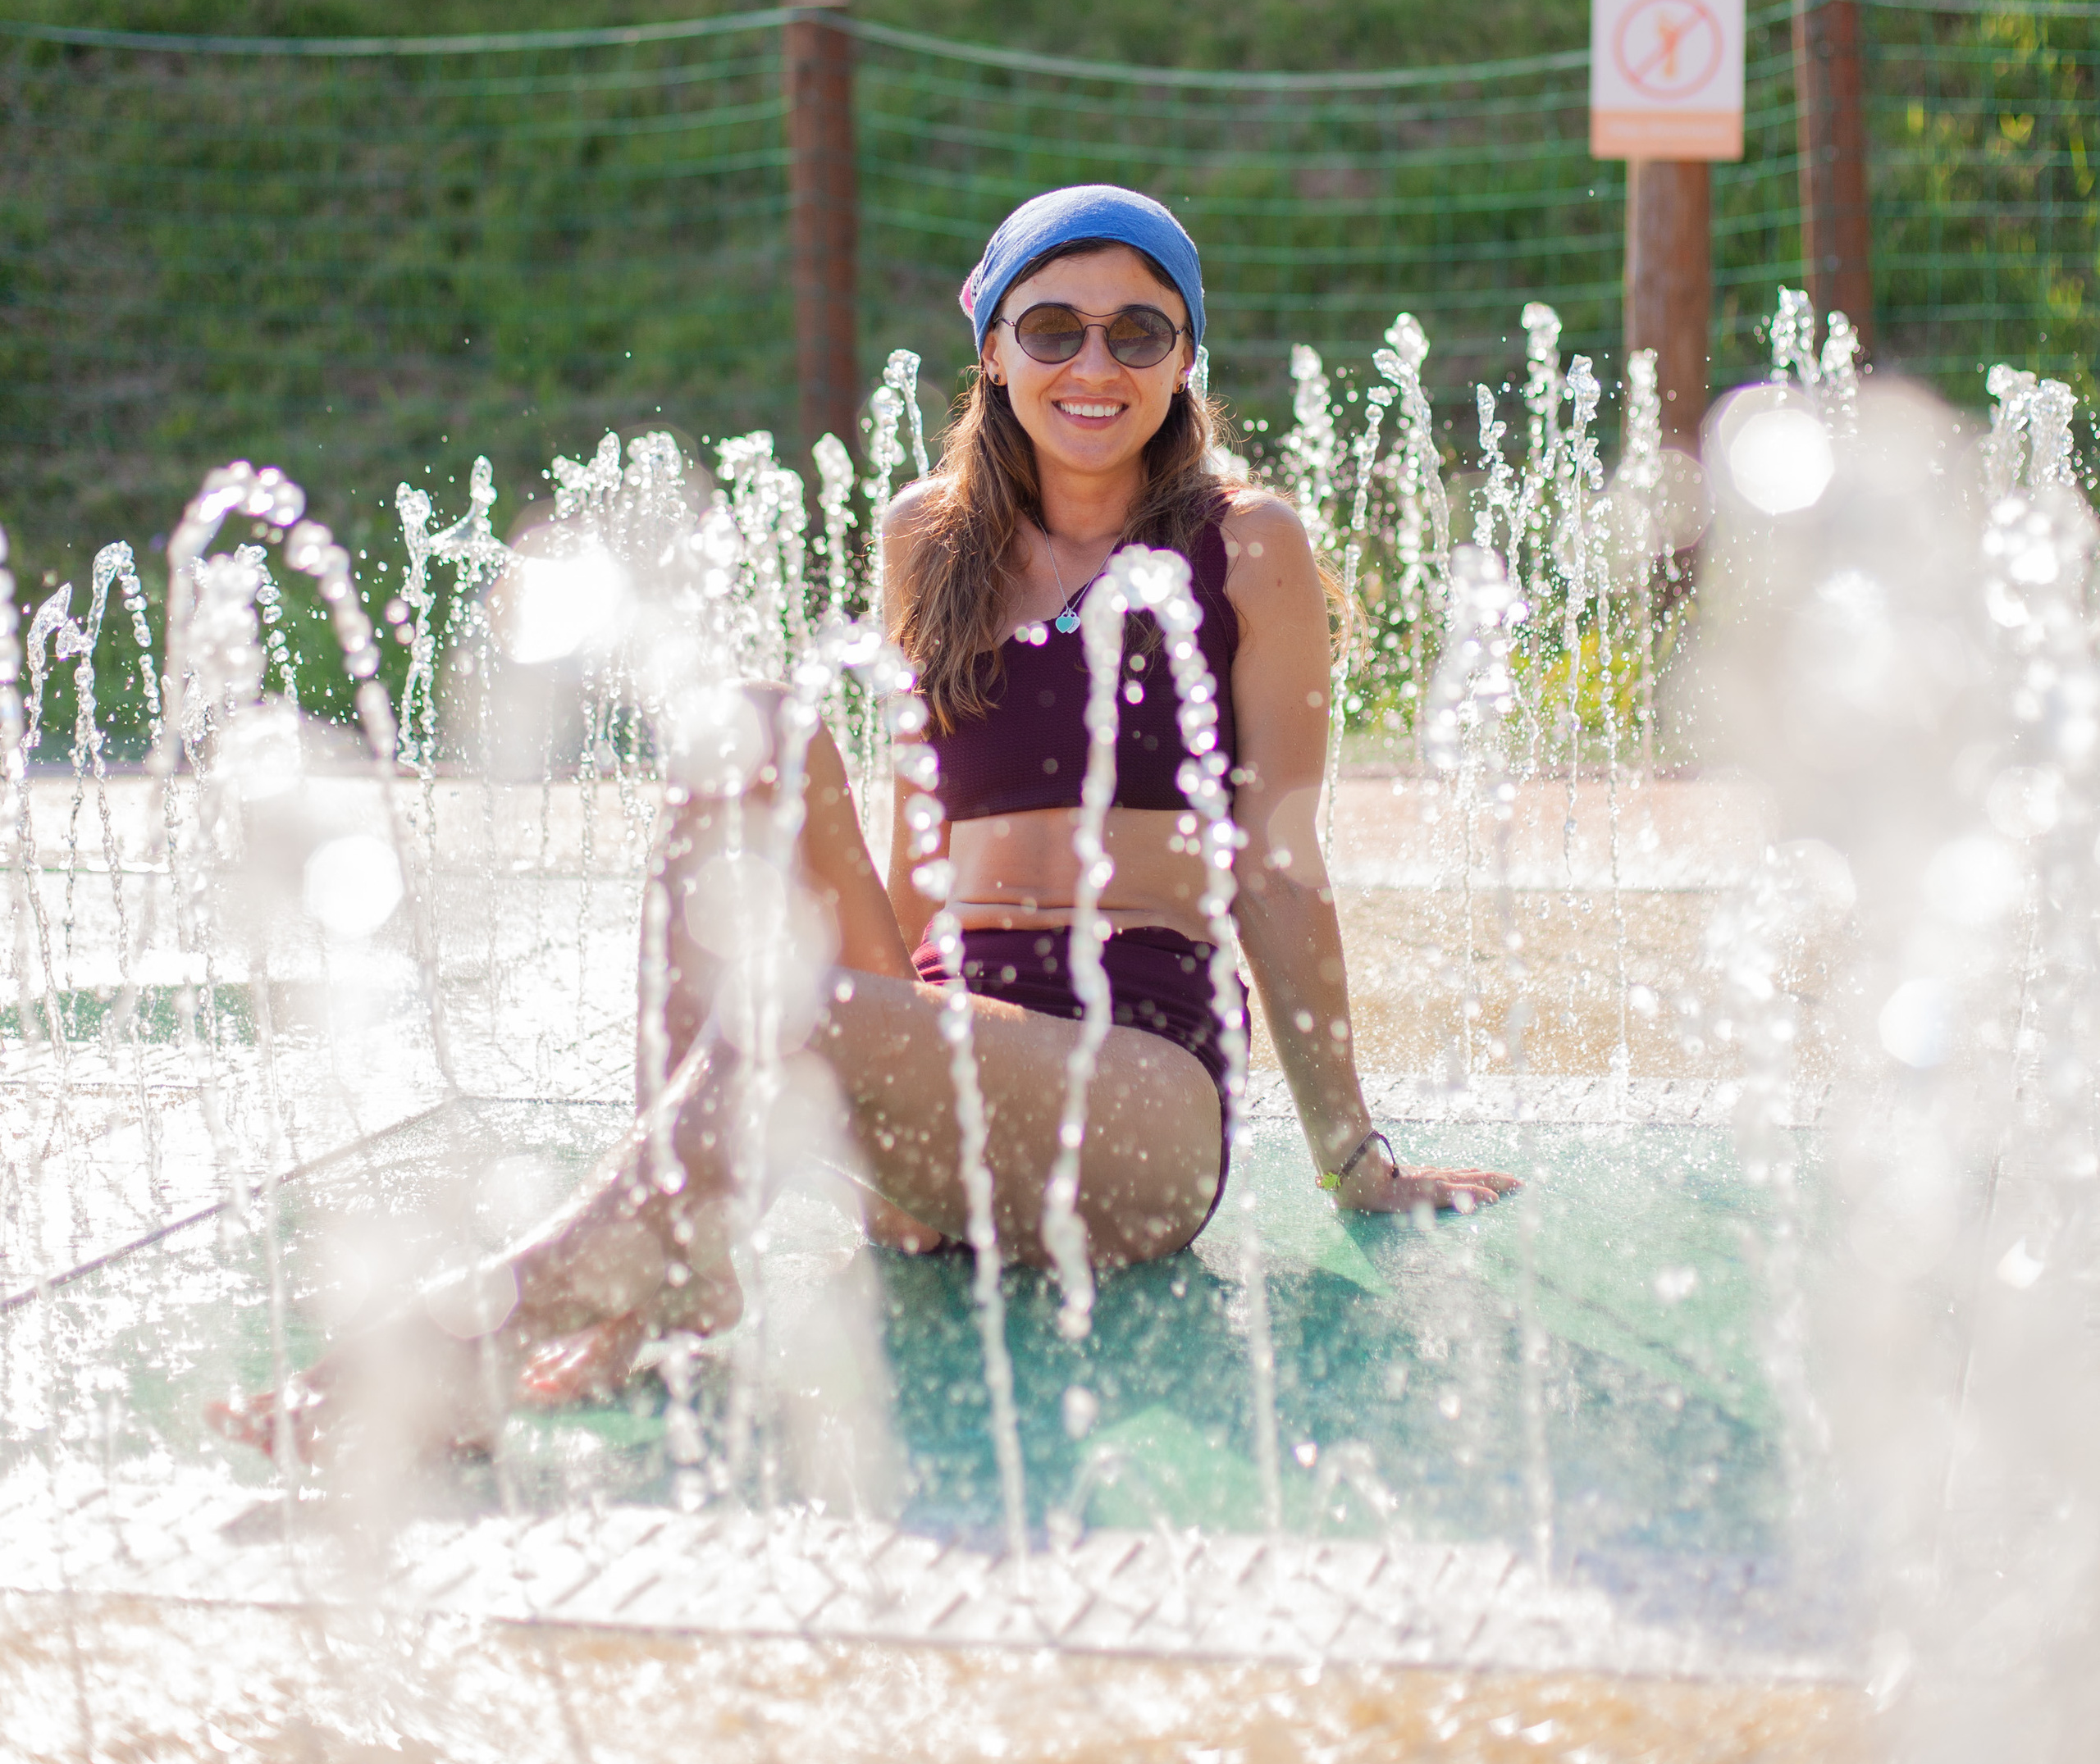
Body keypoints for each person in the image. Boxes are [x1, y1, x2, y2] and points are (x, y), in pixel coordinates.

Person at [212, 184, 1513, 1461]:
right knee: (759, 726)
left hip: (1134, 1107)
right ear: (995, 353)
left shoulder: (1248, 544)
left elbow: (1279, 866)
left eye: (1140, 332)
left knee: (806, 1007)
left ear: (1185, 360)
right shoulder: (925, 539)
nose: (1094, 364)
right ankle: (683, 1246)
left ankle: (463, 1339)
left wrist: (1354, 1155)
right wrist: (872, 1007)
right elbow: (919, 849)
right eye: (1052, 328)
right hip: (927, 1078)